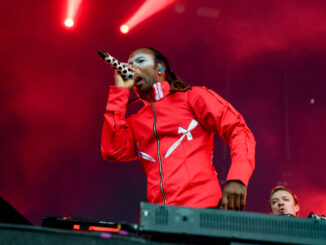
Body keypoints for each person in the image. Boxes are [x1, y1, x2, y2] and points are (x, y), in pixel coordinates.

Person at [101, 47, 256, 210]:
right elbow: (113, 150)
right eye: (130, 64)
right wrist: (120, 91)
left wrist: (238, 177)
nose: (132, 68)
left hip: (205, 209)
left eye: (140, 61)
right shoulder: (136, 122)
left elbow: (238, 129)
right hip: (161, 219)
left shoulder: (192, 97)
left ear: (160, 68)